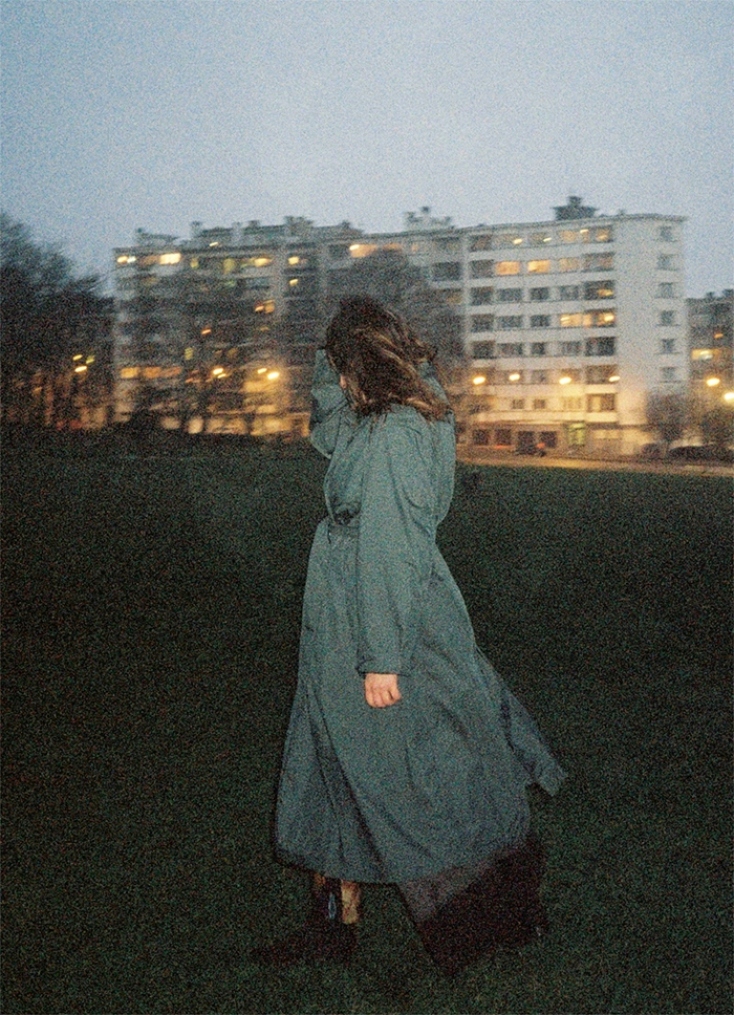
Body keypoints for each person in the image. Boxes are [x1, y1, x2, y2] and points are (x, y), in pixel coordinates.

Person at [252, 296, 565, 976]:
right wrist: (329, 353)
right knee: (333, 763)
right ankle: (332, 926)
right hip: (352, 614)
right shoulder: (385, 418)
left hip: (381, 618)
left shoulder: (395, 431)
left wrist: (382, 658)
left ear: (358, 367)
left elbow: (391, 545)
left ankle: (492, 913)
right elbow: (328, 432)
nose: (336, 382)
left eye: (340, 367)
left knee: (413, 774)